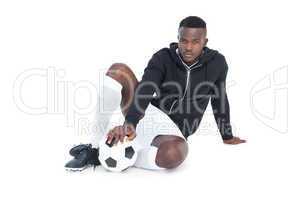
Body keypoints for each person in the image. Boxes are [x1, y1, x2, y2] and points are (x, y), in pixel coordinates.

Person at [65, 16, 246, 171]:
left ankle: (124, 154)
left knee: (174, 154)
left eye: (195, 42)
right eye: (184, 40)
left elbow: (219, 98)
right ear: (178, 38)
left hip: (174, 131)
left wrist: (227, 135)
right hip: (147, 112)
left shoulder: (218, 63)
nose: (188, 47)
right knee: (118, 71)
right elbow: (146, 88)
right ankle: (94, 148)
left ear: (205, 42)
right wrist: (131, 122)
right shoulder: (163, 57)